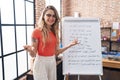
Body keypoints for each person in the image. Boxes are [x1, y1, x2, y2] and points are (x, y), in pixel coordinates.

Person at [23, 5, 78, 80]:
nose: (51, 18)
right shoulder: (36, 31)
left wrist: (70, 45)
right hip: (40, 63)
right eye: (48, 15)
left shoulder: (54, 33)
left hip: (52, 61)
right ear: (43, 16)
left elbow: (56, 52)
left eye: (53, 16)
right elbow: (33, 54)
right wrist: (29, 50)